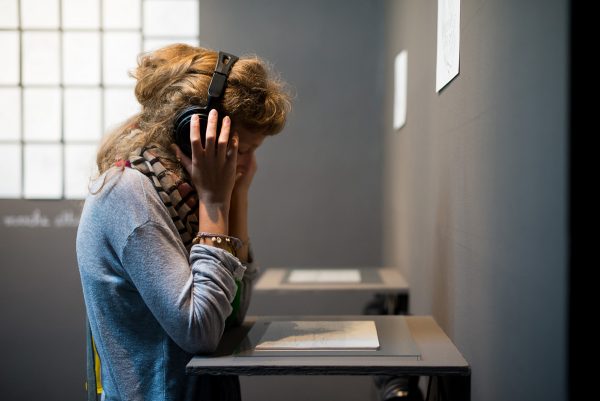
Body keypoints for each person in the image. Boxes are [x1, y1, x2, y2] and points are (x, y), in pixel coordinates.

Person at [76, 44, 291, 401]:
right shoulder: (129, 194)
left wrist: (238, 196)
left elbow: (231, 315)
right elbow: (201, 331)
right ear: (193, 134)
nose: (248, 164)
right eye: (241, 150)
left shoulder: (181, 192)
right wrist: (215, 203)